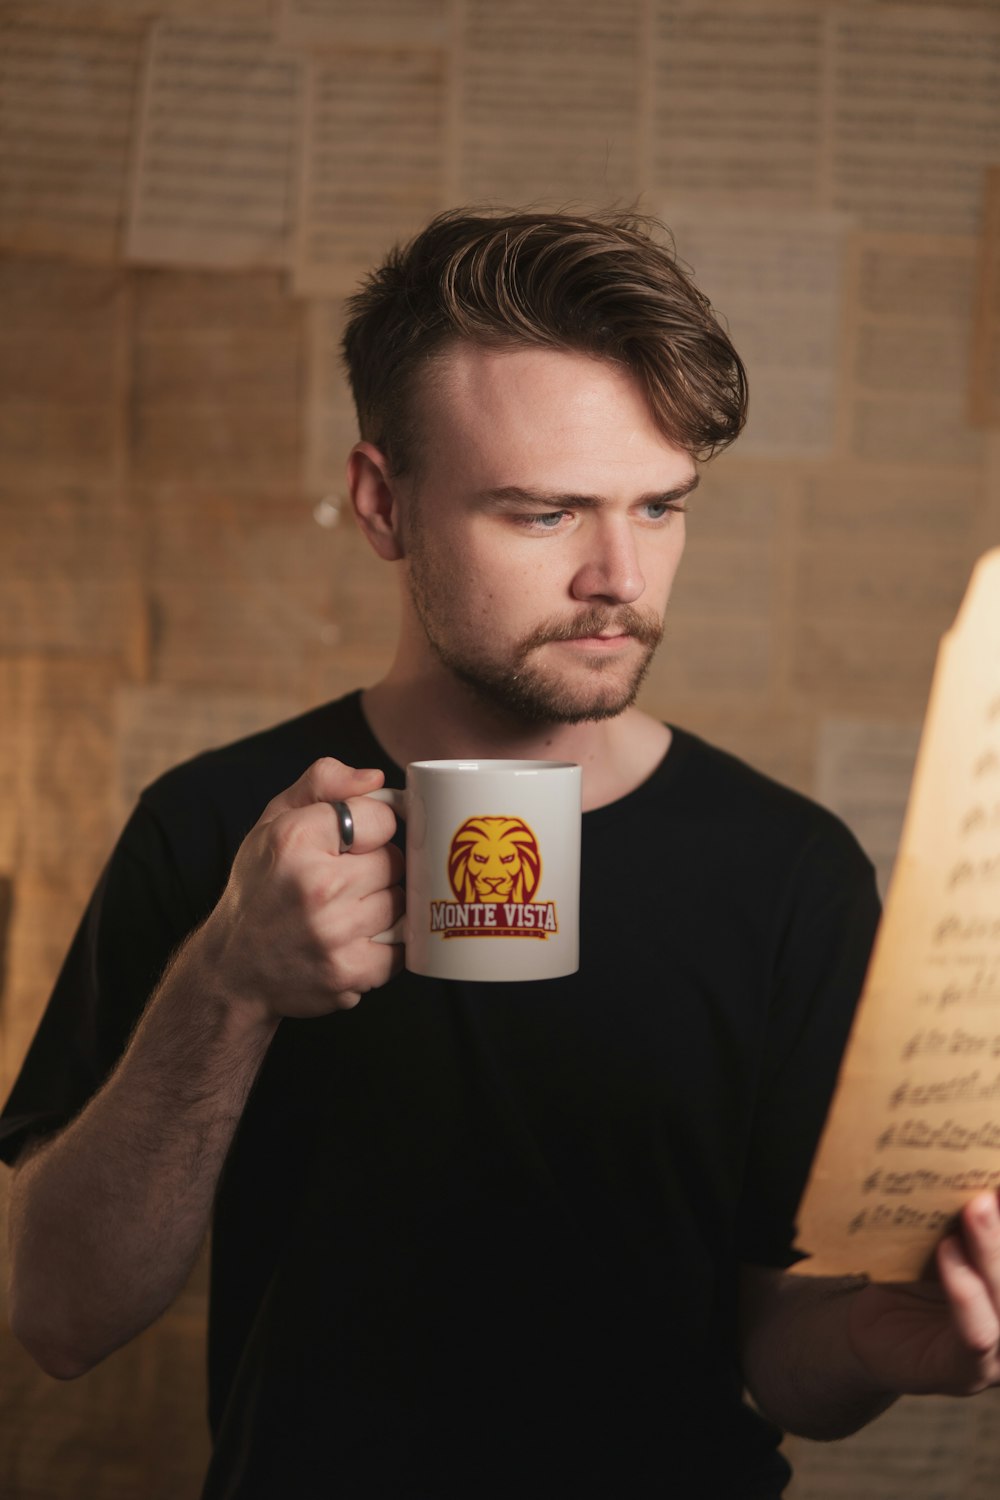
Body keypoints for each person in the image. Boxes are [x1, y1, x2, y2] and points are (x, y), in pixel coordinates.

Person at [3, 209, 1000, 1500]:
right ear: (383, 504)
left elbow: (783, 1350)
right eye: (544, 515)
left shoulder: (790, 871)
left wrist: (888, 1339)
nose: (620, 576)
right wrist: (226, 984)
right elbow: (61, 1318)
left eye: (661, 505)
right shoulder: (214, 827)